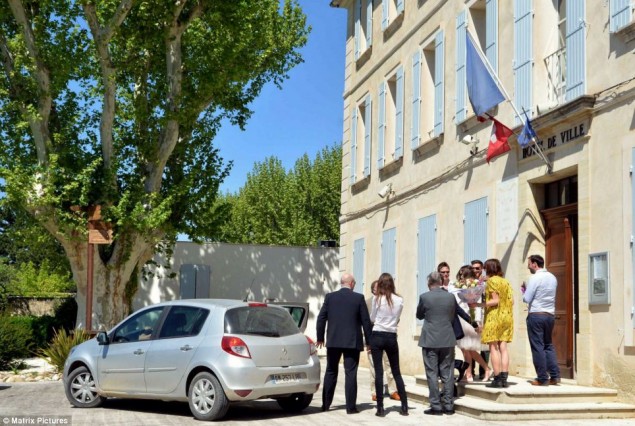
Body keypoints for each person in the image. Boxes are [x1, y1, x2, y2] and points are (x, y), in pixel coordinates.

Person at [316, 273, 373, 414]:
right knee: (350, 373)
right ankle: (350, 407)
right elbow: (366, 321)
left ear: (342, 283)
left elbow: (321, 318)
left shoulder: (330, 297)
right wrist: (369, 342)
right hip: (352, 342)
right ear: (352, 284)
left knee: (330, 371)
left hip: (334, 340)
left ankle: (326, 405)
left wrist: (320, 337)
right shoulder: (358, 298)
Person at [417, 271, 463, 415]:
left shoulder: (424, 297)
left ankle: (436, 405)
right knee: (448, 372)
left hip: (430, 338)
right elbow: (451, 316)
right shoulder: (450, 297)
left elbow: (419, 315)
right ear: (441, 281)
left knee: (432, 373)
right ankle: (448, 405)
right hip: (447, 338)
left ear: (429, 282)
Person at [470, 258, 514, 388]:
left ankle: (497, 378)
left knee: (493, 348)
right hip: (507, 317)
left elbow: (495, 301)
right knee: (503, 348)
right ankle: (504, 378)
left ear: (488, 268)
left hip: (494, 317)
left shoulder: (492, 282)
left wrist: (478, 304)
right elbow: (512, 302)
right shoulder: (506, 282)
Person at [369, 273, 408, 417]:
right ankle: (404, 406)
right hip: (391, 335)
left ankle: (380, 407)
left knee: (378, 372)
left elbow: (372, 318)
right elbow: (397, 318)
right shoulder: (399, 300)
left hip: (378, 334)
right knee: (396, 371)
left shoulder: (377, 299)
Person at [523, 254, 561, 386]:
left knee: (537, 346)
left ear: (534, 264)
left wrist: (524, 289)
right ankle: (555, 376)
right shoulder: (552, 277)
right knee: (548, 345)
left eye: (529, 264)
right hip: (549, 315)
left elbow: (526, 299)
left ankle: (542, 378)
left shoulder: (535, 278)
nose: (528, 267)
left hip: (536, 314)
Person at [453, 265, 491, 382]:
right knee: (468, 349)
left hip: (469, 320)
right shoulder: (460, 285)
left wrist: (477, 321)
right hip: (463, 319)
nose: (460, 276)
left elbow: (477, 305)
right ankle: (471, 372)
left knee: (467, 348)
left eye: (462, 273)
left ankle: (472, 373)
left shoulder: (476, 285)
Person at [366, 280, 399, 402]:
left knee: (390, 365)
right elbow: (365, 323)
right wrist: (368, 341)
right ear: (373, 290)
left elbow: (396, 317)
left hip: (388, 337)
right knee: (374, 366)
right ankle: (374, 391)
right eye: (377, 287)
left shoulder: (389, 301)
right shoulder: (368, 302)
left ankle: (393, 390)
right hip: (373, 338)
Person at [471, 259, 490, 380]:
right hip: (472, 316)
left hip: (484, 316)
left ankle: (483, 372)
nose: (475, 270)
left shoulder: (487, 283)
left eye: (477, 268)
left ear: (482, 269)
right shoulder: (468, 282)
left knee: (484, 346)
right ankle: (470, 371)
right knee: (471, 345)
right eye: (473, 268)